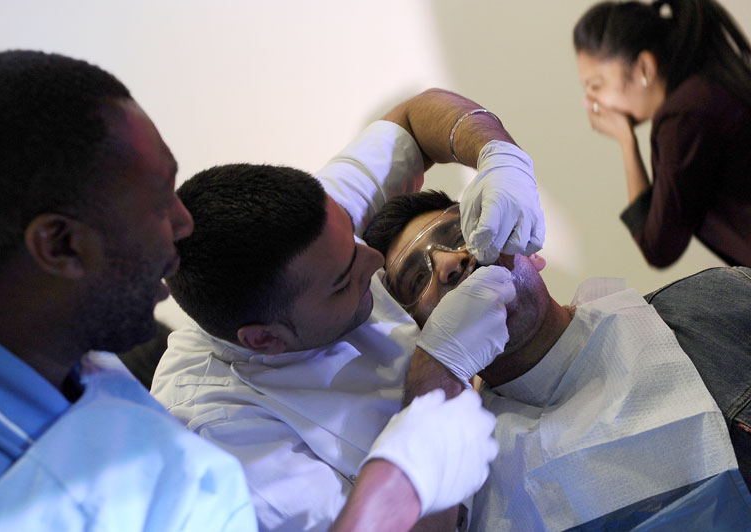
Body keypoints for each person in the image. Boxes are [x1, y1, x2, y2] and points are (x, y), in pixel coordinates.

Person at [0, 51, 499, 532]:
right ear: (61, 244)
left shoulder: (72, 353)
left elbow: (410, 123)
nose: (183, 226)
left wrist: (498, 155)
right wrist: (399, 487)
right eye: (157, 204)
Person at [151, 88, 545, 531]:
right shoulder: (225, 438)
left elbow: (413, 119)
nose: (374, 262)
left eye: (351, 239)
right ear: (265, 338)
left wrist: (499, 155)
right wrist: (438, 373)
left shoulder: (310, 235)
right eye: (343, 281)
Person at [363, 189, 751, 531]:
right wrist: (436, 371)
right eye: (417, 280)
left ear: (528, 247)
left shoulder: (713, 305)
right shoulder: (470, 491)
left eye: (460, 235)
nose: (450, 263)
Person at [574, 0, 751, 267]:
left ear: (644, 68)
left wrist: (626, 142)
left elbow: (659, 248)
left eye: (596, 85)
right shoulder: (704, 90)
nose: (591, 102)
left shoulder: (683, 117)